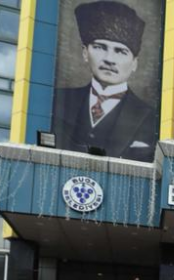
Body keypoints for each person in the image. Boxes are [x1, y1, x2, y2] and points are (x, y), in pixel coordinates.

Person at [52, 0, 156, 161]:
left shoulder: (151, 118)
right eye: (100, 47)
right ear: (85, 52)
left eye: (120, 51)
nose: (109, 59)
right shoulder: (57, 100)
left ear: (134, 63)